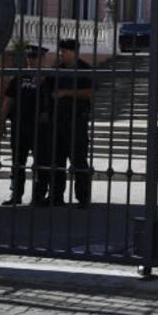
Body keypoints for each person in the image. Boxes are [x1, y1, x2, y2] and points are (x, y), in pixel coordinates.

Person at [42, 38, 94, 208]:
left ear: (74, 52)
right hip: (57, 121)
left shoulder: (85, 69)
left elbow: (89, 93)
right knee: (56, 161)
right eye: (61, 51)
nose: (61, 54)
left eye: (64, 51)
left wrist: (67, 92)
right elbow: (46, 90)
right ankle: (56, 195)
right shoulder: (57, 69)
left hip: (76, 122)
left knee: (78, 160)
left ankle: (83, 197)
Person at [0, 45, 48, 206]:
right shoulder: (19, 77)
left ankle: (39, 195)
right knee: (17, 163)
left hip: (39, 127)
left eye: (35, 58)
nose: (31, 60)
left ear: (43, 59)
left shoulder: (49, 77)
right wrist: (2, 122)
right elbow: (9, 100)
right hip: (19, 125)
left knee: (40, 162)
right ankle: (16, 194)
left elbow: (53, 101)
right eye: (29, 57)